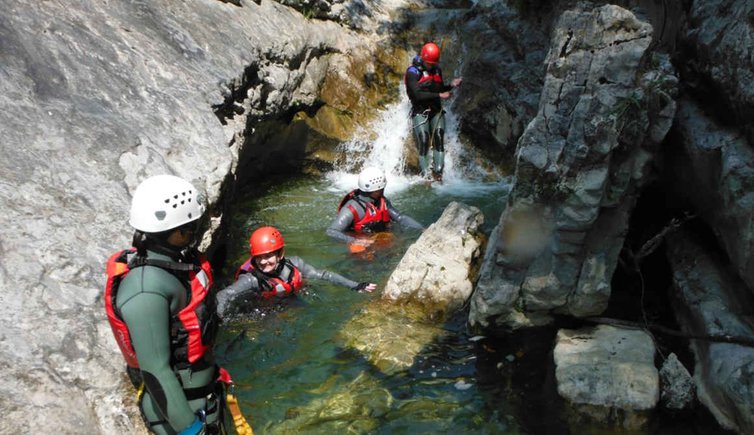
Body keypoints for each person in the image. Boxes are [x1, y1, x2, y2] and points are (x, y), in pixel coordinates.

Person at [105, 174, 232, 434]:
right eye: (187, 229)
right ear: (170, 232)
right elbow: (155, 370)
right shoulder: (146, 291)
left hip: (203, 396)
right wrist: (192, 429)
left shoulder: (176, 264)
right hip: (180, 415)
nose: (193, 233)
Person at [216, 226, 377, 318]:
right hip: (265, 309)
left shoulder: (295, 264)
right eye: (259, 258)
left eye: (268, 256)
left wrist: (355, 285)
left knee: (312, 315)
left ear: (280, 254)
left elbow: (323, 275)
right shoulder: (251, 279)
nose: (263, 262)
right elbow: (223, 295)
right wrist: (220, 317)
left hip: (290, 297)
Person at [326, 167, 424, 250]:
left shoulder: (381, 201)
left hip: (378, 238)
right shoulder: (351, 209)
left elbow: (400, 218)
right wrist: (354, 241)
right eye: (381, 189)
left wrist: (422, 229)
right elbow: (331, 231)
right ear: (376, 190)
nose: (383, 190)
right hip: (360, 241)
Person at [404, 41, 463, 181]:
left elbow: (439, 88)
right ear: (423, 59)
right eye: (429, 63)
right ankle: (426, 176)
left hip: (436, 110)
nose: (432, 65)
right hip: (420, 111)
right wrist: (439, 95)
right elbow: (416, 95)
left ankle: (438, 173)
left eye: (433, 63)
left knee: (438, 136)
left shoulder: (437, 69)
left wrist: (451, 86)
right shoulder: (412, 72)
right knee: (424, 140)